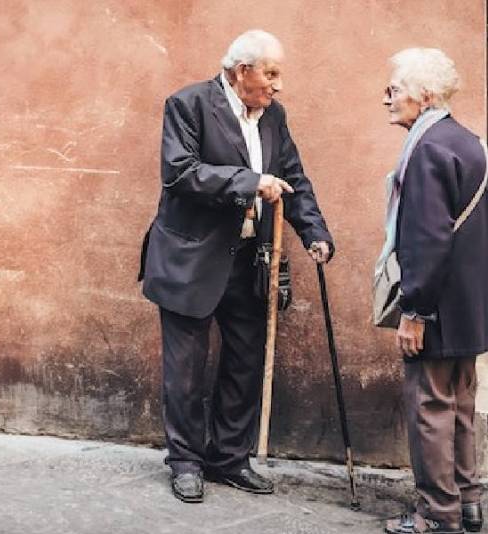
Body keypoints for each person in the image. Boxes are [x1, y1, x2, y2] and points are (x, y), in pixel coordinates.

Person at [138, 29, 334, 504]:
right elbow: (181, 173)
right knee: (186, 370)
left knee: (245, 362)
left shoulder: (274, 116)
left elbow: (293, 176)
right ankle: (186, 461)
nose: (278, 85)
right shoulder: (188, 105)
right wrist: (249, 181)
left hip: (249, 260)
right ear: (242, 71)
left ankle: (228, 457)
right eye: (271, 73)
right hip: (190, 259)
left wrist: (314, 232)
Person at [378, 48, 488, 534]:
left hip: (437, 306)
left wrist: (414, 312)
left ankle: (437, 514)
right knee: (461, 406)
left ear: (426, 95)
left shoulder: (428, 148)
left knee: (431, 406)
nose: (387, 98)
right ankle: (467, 503)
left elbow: (427, 239)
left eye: (395, 89)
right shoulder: (469, 142)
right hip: (470, 307)